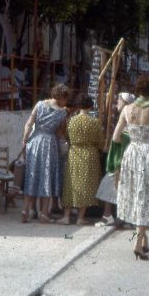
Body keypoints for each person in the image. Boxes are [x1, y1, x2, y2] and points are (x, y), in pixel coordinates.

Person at [114, 75, 149, 260]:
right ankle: (138, 242)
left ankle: (143, 239)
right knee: (146, 196)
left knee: (137, 195)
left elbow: (116, 137)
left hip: (132, 152)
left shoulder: (127, 109)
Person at [20, 84, 69, 223]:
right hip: (49, 144)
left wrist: (25, 141)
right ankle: (44, 213)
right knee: (47, 176)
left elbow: (29, 124)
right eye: (66, 99)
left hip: (35, 141)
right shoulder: (62, 112)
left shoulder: (39, 104)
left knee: (32, 175)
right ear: (62, 97)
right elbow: (60, 132)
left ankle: (25, 209)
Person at [60, 94, 104, 225]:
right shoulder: (95, 122)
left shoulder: (71, 121)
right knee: (86, 185)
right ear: (90, 106)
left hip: (74, 153)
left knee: (70, 183)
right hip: (90, 154)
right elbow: (100, 142)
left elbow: (67, 137)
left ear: (78, 106)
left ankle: (66, 216)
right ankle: (80, 217)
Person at [95, 92, 135, 227]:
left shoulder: (128, 116)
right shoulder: (123, 115)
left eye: (119, 100)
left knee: (117, 184)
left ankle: (118, 216)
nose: (117, 102)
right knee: (111, 184)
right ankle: (111, 215)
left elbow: (120, 138)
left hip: (123, 156)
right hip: (119, 155)